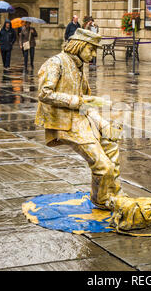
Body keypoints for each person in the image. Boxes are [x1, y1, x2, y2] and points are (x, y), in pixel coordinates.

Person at [35, 28, 124, 209]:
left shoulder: (78, 65)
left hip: (82, 118)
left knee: (111, 144)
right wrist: (80, 101)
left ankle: (113, 192)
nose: (92, 55)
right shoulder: (56, 63)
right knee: (102, 164)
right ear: (79, 45)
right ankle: (101, 200)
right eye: (90, 49)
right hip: (65, 123)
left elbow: (85, 102)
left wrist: (102, 122)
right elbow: (44, 94)